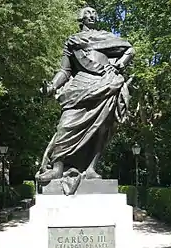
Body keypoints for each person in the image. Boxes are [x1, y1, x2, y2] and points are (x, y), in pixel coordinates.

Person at [36, 6, 134, 188]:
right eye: (88, 13)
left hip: (106, 84)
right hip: (80, 86)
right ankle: (58, 166)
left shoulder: (106, 37)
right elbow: (65, 71)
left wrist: (119, 66)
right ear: (80, 17)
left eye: (94, 13)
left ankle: (91, 168)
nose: (92, 15)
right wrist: (51, 86)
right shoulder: (72, 42)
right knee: (65, 125)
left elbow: (129, 50)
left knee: (101, 128)